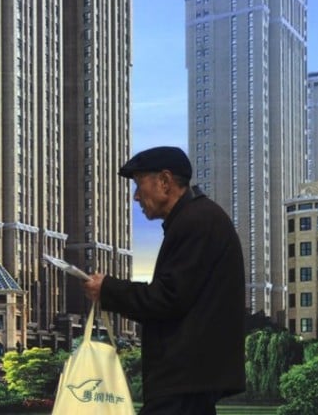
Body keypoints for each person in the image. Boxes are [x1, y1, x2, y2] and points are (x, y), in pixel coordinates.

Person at [82, 146, 245, 415]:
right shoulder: (198, 218)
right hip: (191, 377)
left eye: (139, 184)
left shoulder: (196, 221)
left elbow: (168, 298)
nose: (135, 196)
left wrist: (108, 289)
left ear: (165, 181)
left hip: (184, 377)